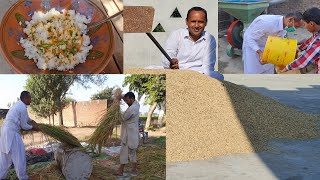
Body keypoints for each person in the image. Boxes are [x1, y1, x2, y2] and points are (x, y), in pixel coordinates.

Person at [162, 7, 224, 80]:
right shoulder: (176, 34)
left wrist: (191, 74)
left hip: (198, 74)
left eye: (200, 22)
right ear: (186, 22)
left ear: (206, 23)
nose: (196, 26)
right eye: (193, 21)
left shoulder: (210, 39)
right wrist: (171, 62)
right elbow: (168, 53)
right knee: (150, 69)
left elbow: (208, 66)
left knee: (218, 76)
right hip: (176, 72)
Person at [0, 91, 39, 180]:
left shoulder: (18, 105)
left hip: (5, 132)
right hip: (12, 133)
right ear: (25, 98)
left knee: (5, 159)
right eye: (29, 98)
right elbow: (24, 125)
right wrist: (34, 128)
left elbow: (26, 118)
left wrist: (32, 121)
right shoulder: (22, 108)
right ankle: (23, 177)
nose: (31, 100)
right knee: (19, 156)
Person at [281, 7, 320, 74]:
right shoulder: (317, 32)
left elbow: (304, 60)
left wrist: (286, 68)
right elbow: (310, 40)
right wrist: (299, 48)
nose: (304, 27)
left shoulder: (318, 42)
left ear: (311, 24)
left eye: (304, 24)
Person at [115, 92, 140, 176]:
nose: (126, 102)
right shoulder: (137, 104)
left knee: (124, 152)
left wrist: (116, 110)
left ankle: (120, 170)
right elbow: (126, 97)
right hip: (133, 134)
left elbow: (123, 117)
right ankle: (134, 169)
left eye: (127, 100)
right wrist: (121, 97)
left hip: (128, 135)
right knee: (132, 152)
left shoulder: (132, 109)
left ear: (131, 98)